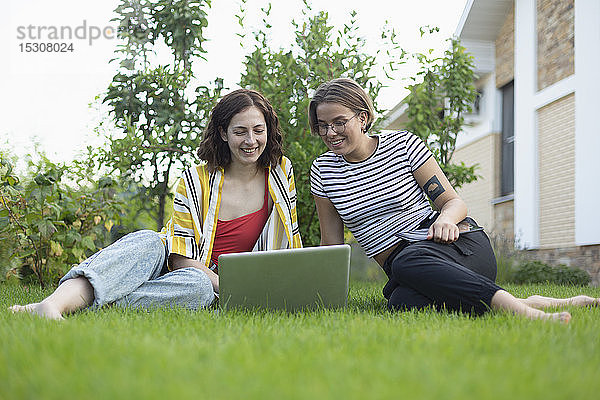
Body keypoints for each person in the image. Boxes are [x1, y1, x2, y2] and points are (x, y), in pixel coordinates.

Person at [309, 78, 597, 323]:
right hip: (408, 268)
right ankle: (532, 301)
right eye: (322, 125)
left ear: (362, 118)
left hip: (458, 245)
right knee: (402, 302)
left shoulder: (402, 145)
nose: (330, 133)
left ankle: (527, 314)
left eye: (339, 122)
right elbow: (331, 244)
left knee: (407, 260)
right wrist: (322, 294)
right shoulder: (323, 171)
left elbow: (453, 201)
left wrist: (445, 219)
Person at [10, 88, 302, 320]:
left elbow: (287, 239)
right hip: (179, 268)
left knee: (198, 289)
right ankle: (51, 305)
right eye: (240, 131)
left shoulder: (280, 172)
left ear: (268, 130)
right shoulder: (195, 179)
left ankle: (86, 304)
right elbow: (179, 259)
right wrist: (226, 286)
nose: (251, 140)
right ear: (224, 134)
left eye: (258, 130)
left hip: (198, 286)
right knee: (150, 240)